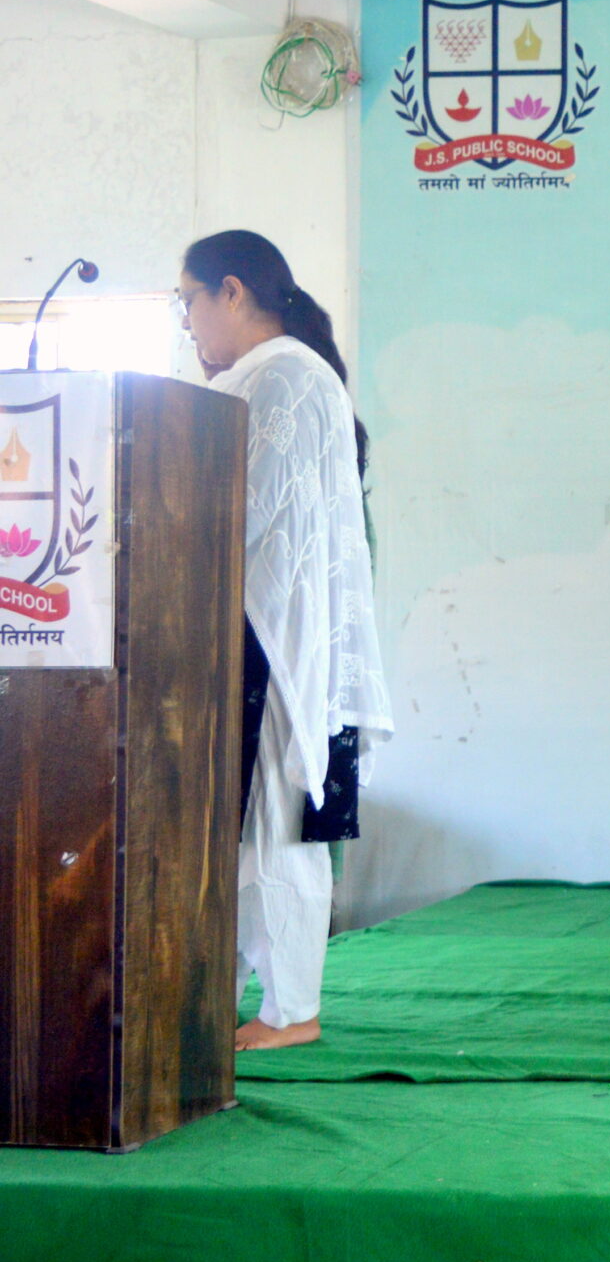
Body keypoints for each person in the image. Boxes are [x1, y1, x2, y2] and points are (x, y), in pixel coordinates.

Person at [177, 231, 392, 1051]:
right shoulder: (281, 374)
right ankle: (245, 1000)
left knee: (277, 826)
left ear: (232, 292)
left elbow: (249, 512)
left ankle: (291, 1011)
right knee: (250, 830)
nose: (187, 323)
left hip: (277, 638)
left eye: (189, 301)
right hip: (273, 634)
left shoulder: (282, 377)